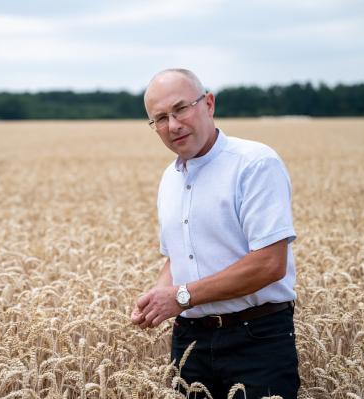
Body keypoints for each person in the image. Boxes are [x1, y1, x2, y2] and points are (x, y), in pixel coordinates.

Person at [130, 69, 300, 398]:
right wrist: (157, 297)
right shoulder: (170, 179)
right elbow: (176, 258)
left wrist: (180, 297)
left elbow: (269, 263)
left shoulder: (255, 164)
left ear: (209, 104)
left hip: (257, 338)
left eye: (181, 109)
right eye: (160, 118)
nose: (173, 125)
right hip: (190, 341)